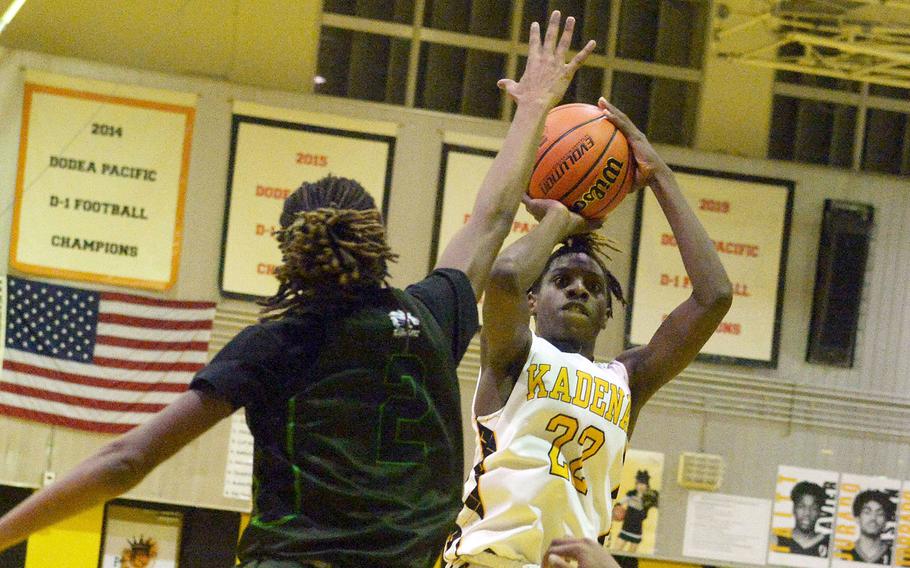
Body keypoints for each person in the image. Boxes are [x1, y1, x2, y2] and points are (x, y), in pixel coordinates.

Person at [0, 12, 596, 567]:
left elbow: (126, 460)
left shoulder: (276, 344)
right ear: (376, 241)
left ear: (289, 255)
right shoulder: (432, 316)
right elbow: (491, 218)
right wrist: (535, 109)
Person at [443, 98, 733, 567]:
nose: (578, 289)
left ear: (606, 315)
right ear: (533, 302)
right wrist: (560, 219)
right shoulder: (514, 353)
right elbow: (504, 276)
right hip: (491, 559)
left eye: (593, 287)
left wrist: (659, 175)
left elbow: (714, 296)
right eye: (561, 281)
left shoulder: (628, 379)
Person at [775, 481, 830, 557]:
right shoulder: (777, 540)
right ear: (793, 509)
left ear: (820, 512)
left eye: (813, 508)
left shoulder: (829, 544)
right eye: (801, 506)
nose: (807, 513)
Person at [841, 490, 895, 565]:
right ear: (857, 518)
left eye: (880, 514)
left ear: (886, 521)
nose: (873, 518)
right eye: (867, 512)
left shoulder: (895, 557)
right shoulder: (841, 554)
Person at [613, 470, 659, 552]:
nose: (639, 486)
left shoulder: (649, 498)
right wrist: (617, 509)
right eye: (638, 484)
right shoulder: (631, 494)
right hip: (627, 524)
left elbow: (657, 505)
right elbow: (621, 502)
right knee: (617, 549)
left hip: (637, 527)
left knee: (632, 552)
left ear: (647, 485)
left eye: (642, 484)